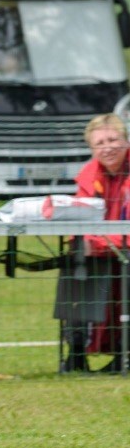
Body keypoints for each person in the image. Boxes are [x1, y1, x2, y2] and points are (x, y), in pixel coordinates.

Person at [55, 113, 130, 373]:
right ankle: (76, 351)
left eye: (113, 140)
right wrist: (85, 241)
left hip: (122, 249)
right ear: (91, 148)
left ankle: (124, 354)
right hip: (103, 250)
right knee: (73, 268)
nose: (107, 147)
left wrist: (97, 243)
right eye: (99, 143)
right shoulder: (88, 175)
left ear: (126, 141)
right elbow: (80, 215)